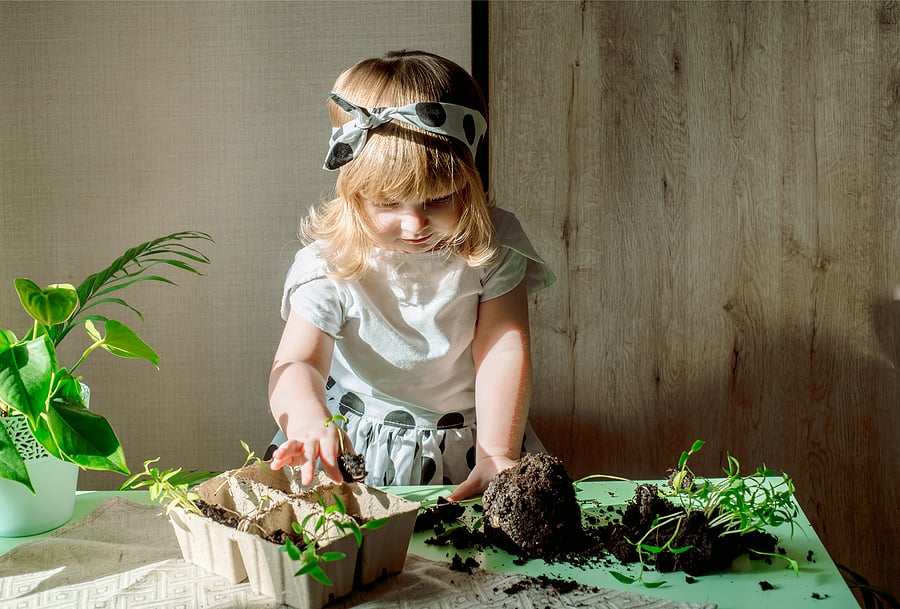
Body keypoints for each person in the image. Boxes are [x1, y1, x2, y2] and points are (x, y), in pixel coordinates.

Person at [266, 50, 555, 501]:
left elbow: (503, 349)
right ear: (353, 191)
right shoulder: (334, 261)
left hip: (473, 446)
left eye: (439, 199)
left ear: (471, 182)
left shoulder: (489, 247)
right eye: (389, 203)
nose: (414, 224)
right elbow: (298, 361)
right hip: (352, 446)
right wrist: (307, 421)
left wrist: (497, 450)